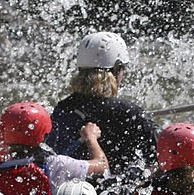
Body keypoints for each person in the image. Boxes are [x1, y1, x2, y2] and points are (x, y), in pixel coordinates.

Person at [47, 31, 159, 176]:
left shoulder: (63, 108)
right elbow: (164, 154)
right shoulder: (129, 112)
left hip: (70, 194)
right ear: (117, 69)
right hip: (117, 194)